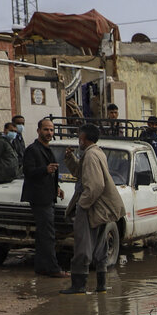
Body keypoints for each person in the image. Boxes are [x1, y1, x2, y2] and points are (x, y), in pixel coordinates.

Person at [61, 123, 125, 294]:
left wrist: (82, 205)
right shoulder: (95, 152)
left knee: (83, 246)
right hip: (100, 208)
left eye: (79, 137)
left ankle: (78, 285)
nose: (78, 141)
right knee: (100, 246)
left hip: (92, 208)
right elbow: (82, 174)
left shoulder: (91, 156)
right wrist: (70, 159)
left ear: (83, 139)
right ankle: (101, 285)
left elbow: (95, 185)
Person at [21, 117, 67, 278]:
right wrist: (45, 170)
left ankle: (41, 267)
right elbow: (28, 171)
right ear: (39, 131)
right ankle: (53, 269)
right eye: (46, 129)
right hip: (39, 198)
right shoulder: (33, 149)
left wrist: (57, 188)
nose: (49, 133)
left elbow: (50, 173)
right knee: (48, 234)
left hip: (48, 196)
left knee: (43, 234)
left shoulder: (48, 148)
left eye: (51, 130)